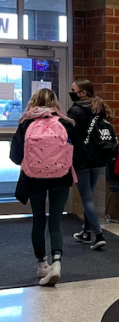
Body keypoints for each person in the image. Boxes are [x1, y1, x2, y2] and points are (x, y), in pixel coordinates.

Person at [9, 88, 76, 287]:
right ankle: (56, 261)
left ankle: (41, 264)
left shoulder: (26, 123)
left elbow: (14, 155)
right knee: (55, 222)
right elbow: (76, 151)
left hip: (33, 179)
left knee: (38, 220)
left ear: (33, 101)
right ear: (55, 102)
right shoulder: (65, 123)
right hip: (61, 178)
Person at [68, 79, 112, 250]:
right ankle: (86, 232)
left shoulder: (75, 111)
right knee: (90, 194)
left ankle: (98, 235)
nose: (71, 92)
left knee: (86, 197)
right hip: (99, 157)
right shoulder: (99, 109)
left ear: (82, 93)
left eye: (73, 90)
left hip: (82, 159)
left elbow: (69, 133)